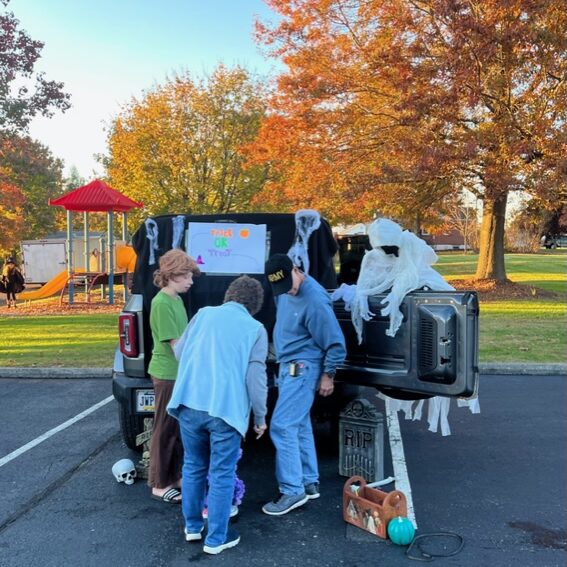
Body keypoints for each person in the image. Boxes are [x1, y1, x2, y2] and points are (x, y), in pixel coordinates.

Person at [167, 275, 268, 555]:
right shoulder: (255, 328)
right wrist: (260, 417)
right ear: (254, 304)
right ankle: (217, 538)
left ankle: (192, 526)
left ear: (229, 295)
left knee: (193, 466)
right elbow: (255, 378)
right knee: (222, 473)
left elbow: (179, 353)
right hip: (225, 411)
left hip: (189, 404)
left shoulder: (202, 315)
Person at [262, 253, 346, 516]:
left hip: (302, 368)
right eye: (281, 288)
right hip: (289, 366)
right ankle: (309, 482)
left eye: (290, 284)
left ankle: (292, 490)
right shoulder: (285, 289)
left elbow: (334, 342)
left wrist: (328, 375)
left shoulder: (315, 299)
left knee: (282, 425)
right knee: (298, 425)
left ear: (297, 270)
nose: (287, 291)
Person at [148, 249, 200, 504]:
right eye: (187, 276)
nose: (191, 281)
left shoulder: (177, 300)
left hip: (179, 374)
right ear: (173, 275)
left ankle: (174, 476)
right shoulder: (162, 303)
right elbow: (177, 346)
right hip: (167, 374)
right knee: (164, 428)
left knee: (178, 429)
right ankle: (159, 483)